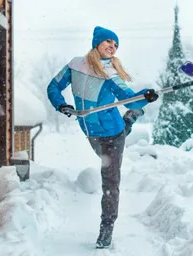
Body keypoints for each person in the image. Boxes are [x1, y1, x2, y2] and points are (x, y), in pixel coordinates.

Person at [47, 26, 159, 249]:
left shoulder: (111, 74)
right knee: (115, 142)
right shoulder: (75, 65)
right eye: (109, 41)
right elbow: (53, 86)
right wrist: (61, 105)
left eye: (116, 45)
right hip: (90, 132)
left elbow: (129, 98)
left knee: (110, 180)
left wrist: (145, 97)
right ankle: (130, 119)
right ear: (96, 42)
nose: (112, 46)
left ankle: (106, 229)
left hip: (111, 134)